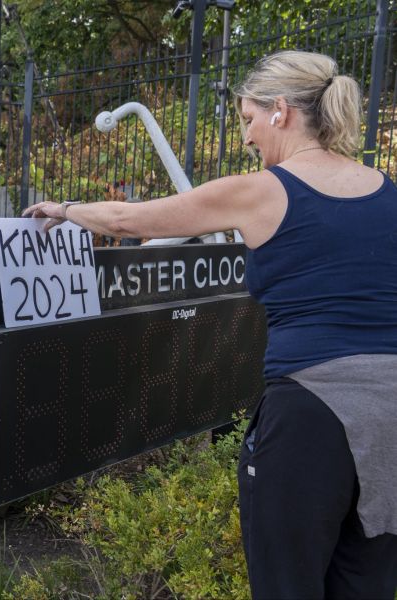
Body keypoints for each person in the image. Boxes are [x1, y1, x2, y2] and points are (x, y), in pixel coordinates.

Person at [23, 50, 397, 599]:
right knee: (367, 584)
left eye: (247, 120)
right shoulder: (388, 190)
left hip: (312, 413)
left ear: (280, 111)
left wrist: (65, 208)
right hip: (391, 417)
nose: (247, 138)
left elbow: (131, 220)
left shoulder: (262, 190)